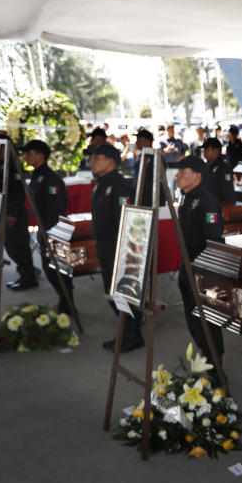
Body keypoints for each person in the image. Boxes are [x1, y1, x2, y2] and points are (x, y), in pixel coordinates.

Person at [169, 155, 225, 372]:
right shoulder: (188, 197)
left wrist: (205, 275)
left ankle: (216, 366)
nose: (178, 175)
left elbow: (213, 243)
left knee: (207, 321)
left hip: (202, 269)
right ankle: (206, 358)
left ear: (198, 176)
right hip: (188, 265)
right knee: (194, 319)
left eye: (183, 172)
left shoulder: (207, 202)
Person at [87, 143, 143, 352]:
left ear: (111, 161)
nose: (92, 161)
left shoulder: (119, 186)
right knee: (112, 291)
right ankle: (128, 331)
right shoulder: (102, 183)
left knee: (122, 291)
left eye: (96, 157)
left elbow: (126, 220)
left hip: (117, 245)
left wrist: (123, 251)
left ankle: (132, 334)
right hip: (105, 243)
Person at [22, 140, 73, 312]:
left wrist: (51, 234)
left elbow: (56, 208)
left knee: (58, 270)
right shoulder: (38, 175)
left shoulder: (50, 178)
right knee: (49, 268)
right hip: (44, 228)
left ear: (40, 156)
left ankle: (68, 302)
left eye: (29, 153)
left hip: (53, 230)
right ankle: (64, 300)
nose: (25, 156)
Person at [0, 136, 38, 290]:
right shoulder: (0, 163)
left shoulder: (13, 165)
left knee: (18, 246)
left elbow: (18, 192)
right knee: (10, 246)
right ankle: (25, 274)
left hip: (13, 212)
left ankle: (28, 277)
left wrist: (13, 213)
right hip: (2, 209)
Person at [201, 137, 237, 204]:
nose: (204, 152)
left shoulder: (225, 169)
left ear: (216, 150)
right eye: (204, 150)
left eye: (207, 149)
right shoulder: (205, 167)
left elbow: (228, 193)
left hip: (218, 207)